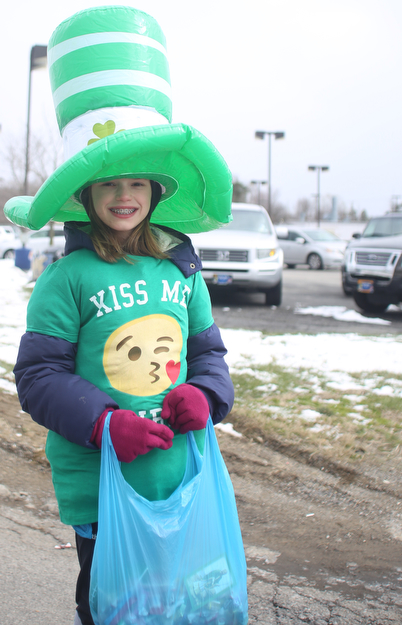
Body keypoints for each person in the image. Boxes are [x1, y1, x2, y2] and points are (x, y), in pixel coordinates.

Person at [5, 7, 235, 625]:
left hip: (176, 472)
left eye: (138, 181)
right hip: (103, 482)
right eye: (108, 182)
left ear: (158, 192)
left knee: (178, 601)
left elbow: (209, 355)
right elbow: (39, 377)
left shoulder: (181, 273)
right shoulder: (65, 280)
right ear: (84, 194)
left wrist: (206, 396)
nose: (124, 194)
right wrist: (107, 425)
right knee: (112, 603)